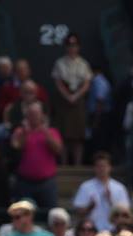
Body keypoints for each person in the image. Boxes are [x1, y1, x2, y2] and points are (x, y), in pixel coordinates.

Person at [9, 102, 63, 208]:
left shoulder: (52, 131)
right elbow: (16, 147)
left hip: (47, 182)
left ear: (42, 115)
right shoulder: (20, 132)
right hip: (25, 182)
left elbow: (58, 150)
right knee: (23, 213)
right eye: (31, 114)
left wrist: (46, 132)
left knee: (49, 213)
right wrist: (26, 132)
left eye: (36, 113)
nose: (33, 116)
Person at [51, 33, 92, 166]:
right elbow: (58, 82)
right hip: (64, 100)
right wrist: (67, 96)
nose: (72, 48)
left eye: (74, 45)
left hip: (78, 100)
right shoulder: (60, 63)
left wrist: (76, 96)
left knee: (78, 136)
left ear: (78, 47)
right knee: (64, 134)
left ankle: (77, 165)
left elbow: (86, 83)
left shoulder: (83, 63)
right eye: (69, 45)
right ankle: (64, 164)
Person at [72, 152, 132, 233]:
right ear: (94, 168)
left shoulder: (119, 188)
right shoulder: (86, 187)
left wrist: (111, 201)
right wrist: (89, 207)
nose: (101, 169)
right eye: (99, 166)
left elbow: (126, 214)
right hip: (92, 231)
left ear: (110, 167)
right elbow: (78, 212)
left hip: (114, 230)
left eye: (104, 166)